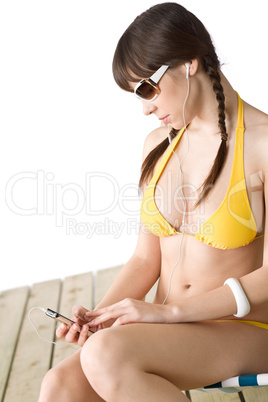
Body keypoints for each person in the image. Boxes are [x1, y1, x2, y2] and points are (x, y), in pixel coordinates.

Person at [38, 2, 268, 401]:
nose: (145, 107)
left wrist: (168, 313)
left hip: (243, 330)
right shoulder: (157, 148)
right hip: (165, 326)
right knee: (58, 385)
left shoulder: (263, 146)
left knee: (106, 355)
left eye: (147, 87)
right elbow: (146, 260)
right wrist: (98, 317)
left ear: (190, 63)